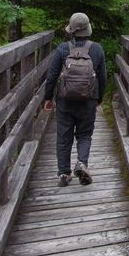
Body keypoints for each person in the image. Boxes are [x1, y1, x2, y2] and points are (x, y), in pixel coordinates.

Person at [44, 12, 107, 187]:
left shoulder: (62, 49)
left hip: (65, 100)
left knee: (63, 136)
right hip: (88, 100)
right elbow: (102, 77)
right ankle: (81, 163)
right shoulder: (97, 49)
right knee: (85, 134)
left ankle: (63, 174)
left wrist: (48, 97)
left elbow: (52, 76)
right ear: (87, 29)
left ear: (71, 30)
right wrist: (99, 98)